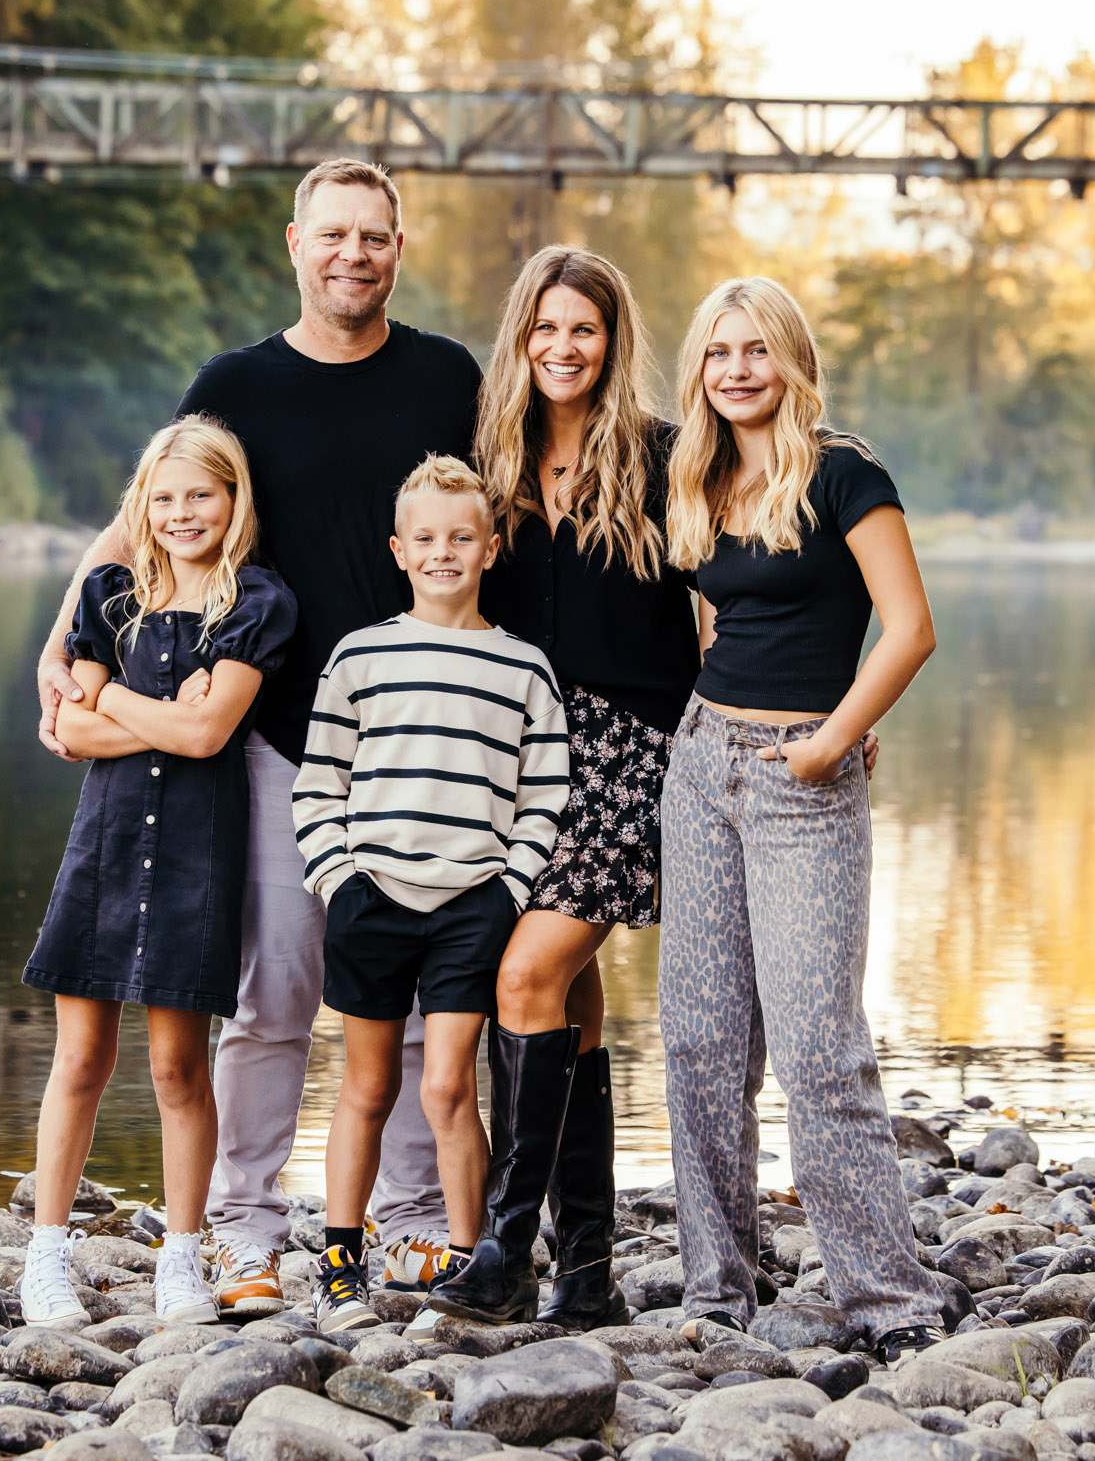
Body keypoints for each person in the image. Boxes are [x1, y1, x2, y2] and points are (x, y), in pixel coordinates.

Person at [33, 158, 479, 1311]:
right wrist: (59, 635)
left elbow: (510, 517)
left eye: (373, 236)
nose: (353, 254)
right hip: (277, 735)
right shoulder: (234, 382)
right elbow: (149, 511)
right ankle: (242, 1228)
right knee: (272, 989)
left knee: (420, 998)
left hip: (422, 738)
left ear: (399, 243)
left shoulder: (446, 377)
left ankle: (416, 1219)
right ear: (295, 243)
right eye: (332, 234)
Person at [655, 276, 951, 1362]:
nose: (736, 369)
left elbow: (910, 628)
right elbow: (708, 616)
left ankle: (886, 1293)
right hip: (699, 769)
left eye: (756, 350)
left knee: (820, 1047)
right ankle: (717, 1280)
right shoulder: (700, 478)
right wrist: (707, 728)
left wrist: (833, 738)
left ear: (791, 359)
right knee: (698, 1040)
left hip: (801, 782)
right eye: (718, 351)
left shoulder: (843, 473)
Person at [425, 246, 698, 1327]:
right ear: (519, 337)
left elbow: (742, 583)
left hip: (631, 746)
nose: (561, 348)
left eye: (581, 328)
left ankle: (504, 1246)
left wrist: (810, 709)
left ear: (612, 339)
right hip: (517, 752)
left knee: (527, 975)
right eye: (543, 328)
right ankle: (586, 1272)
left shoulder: (667, 457)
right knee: (569, 1001)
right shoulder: (490, 461)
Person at [17, 418, 298, 1329]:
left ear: (233, 500)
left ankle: (182, 1257)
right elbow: (74, 733)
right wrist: (155, 713)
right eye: (166, 497)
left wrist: (121, 701)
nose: (183, 513)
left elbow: (210, 734)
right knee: (81, 1058)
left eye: (201, 495)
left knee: (181, 1068)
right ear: (144, 502)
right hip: (103, 850)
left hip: (194, 859)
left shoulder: (257, 600)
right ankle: (47, 1253)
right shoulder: (110, 591)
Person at [290, 456, 570, 1330]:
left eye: (460, 537)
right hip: (371, 894)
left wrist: (510, 885)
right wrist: (337, 876)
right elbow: (319, 780)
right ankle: (341, 1256)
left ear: (490, 548)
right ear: (399, 551)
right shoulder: (360, 655)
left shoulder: (524, 666)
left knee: (449, 1087)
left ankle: (468, 1257)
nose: (443, 552)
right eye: (425, 539)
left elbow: (546, 791)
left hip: (470, 904)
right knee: (367, 1086)